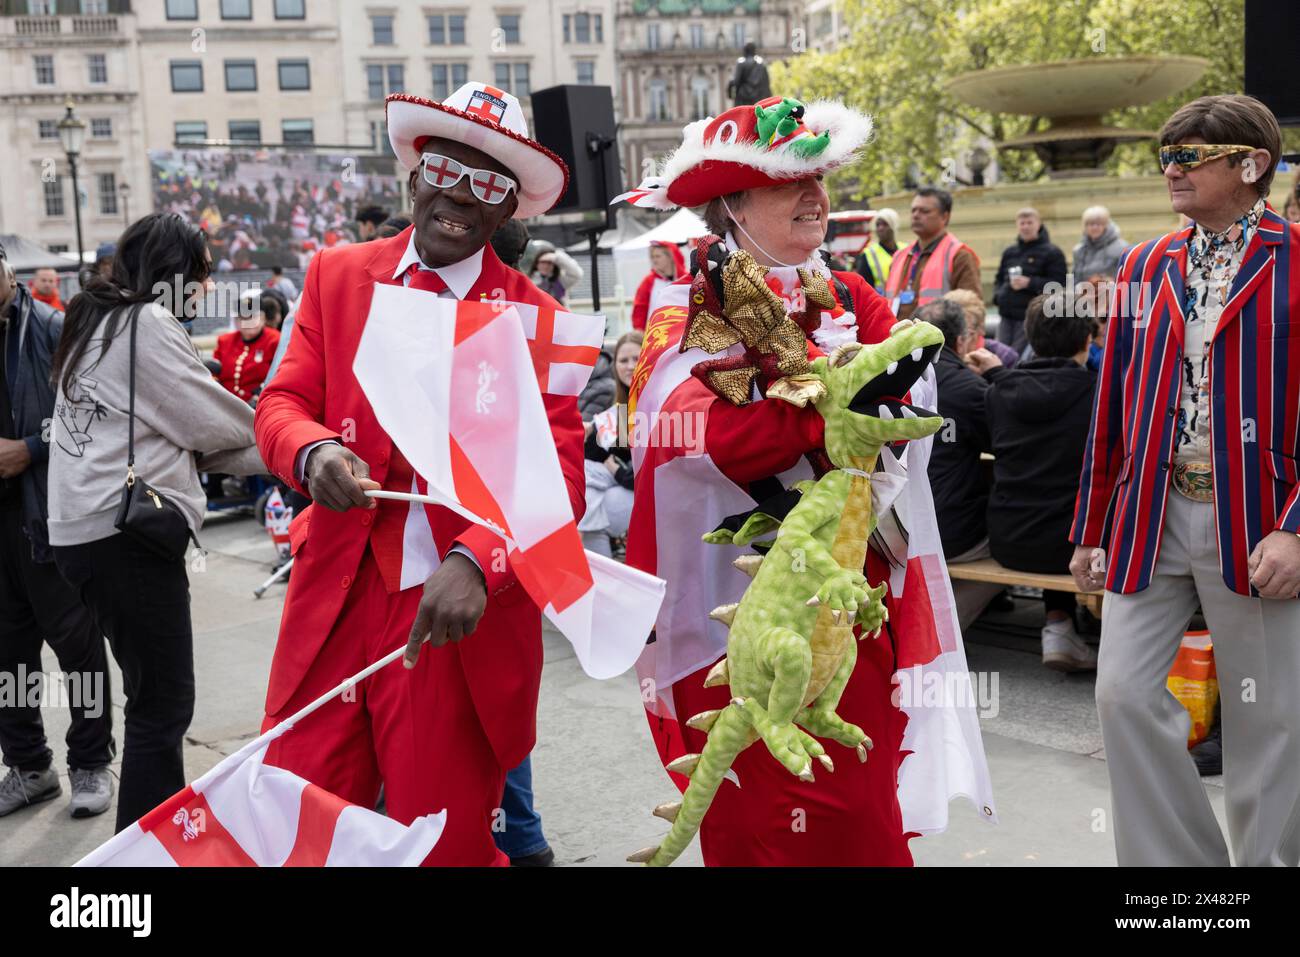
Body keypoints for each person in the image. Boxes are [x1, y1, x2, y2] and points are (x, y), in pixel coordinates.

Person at [616, 93, 993, 865]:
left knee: (859, 804)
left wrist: (852, 389)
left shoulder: (852, 294)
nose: (818, 197)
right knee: (756, 816)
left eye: (821, 179)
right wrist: (831, 405)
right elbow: (695, 442)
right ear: (733, 204)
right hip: (739, 612)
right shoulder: (687, 317)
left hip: (854, 595)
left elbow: (916, 388)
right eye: (793, 182)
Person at [254, 82, 584, 866]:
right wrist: (311, 450)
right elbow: (281, 401)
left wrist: (479, 558)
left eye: (490, 185)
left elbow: (560, 479)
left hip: (450, 625)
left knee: (442, 848)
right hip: (332, 603)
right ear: (414, 173)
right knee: (298, 829)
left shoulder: (539, 323)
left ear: (509, 212)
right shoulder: (336, 275)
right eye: (448, 169)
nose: (461, 197)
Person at [1070, 94, 1300, 866]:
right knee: (1123, 696)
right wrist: (1090, 527)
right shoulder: (1144, 263)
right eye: (1165, 155)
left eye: (1188, 156)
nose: (1170, 169)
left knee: (1268, 719)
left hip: (1263, 518)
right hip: (1150, 515)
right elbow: (1113, 400)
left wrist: (1297, 530)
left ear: (1251, 165)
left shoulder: (1297, 260)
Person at [46, 213, 264, 831]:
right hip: (128, 539)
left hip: (80, 535)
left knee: (151, 698)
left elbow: (179, 429)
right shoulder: (147, 323)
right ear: (175, 273)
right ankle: (145, 858)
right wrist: (301, 445)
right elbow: (217, 426)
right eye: (200, 274)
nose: (203, 287)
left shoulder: (93, 320)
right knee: (162, 706)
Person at [0, 241, 115, 820]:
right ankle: (28, 767)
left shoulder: (50, 325)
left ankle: (92, 762)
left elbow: (92, 414)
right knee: (9, 657)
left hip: (48, 520)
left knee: (78, 650)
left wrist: (29, 447)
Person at [986, 294, 1097, 670]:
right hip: (1071, 548)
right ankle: (1075, 628)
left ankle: (1058, 623)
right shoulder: (1098, 393)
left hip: (1009, 539)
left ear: (1031, 339)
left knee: (1052, 499)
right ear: (1086, 341)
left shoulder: (999, 390)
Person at [917, 299, 1004, 630]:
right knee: (1010, 545)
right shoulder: (970, 389)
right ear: (961, 340)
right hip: (951, 533)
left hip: (894, 526)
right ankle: (941, 627)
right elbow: (1001, 445)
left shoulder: (890, 382)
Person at [578, 331, 641, 557]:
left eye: (637, 358)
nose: (630, 366)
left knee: (589, 506)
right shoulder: (621, 409)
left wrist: (616, 472)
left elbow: (647, 472)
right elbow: (599, 454)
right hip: (617, 490)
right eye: (623, 360)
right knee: (586, 486)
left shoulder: (658, 402)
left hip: (649, 497)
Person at [883, 187, 981, 323]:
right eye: (914, 210)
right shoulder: (900, 256)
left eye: (925, 211)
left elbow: (972, 311)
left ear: (944, 217)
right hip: (898, 340)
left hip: (940, 342)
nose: (916, 215)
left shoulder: (960, 256)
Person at [992, 207, 1067, 353]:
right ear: (1017, 225)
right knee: (1000, 355)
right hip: (1006, 315)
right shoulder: (1010, 252)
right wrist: (998, 297)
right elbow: (999, 279)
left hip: (1030, 317)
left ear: (1038, 224)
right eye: (1022, 223)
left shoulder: (1053, 253)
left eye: (1029, 223)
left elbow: (1059, 285)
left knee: (1015, 357)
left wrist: (1030, 283)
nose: (1025, 227)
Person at [213, 293, 282, 403]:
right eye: (244, 318)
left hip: (259, 405)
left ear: (263, 319)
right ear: (236, 321)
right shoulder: (225, 341)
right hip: (225, 405)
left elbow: (281, 374)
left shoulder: (275, 340)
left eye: (253, 317)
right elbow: (213, 374)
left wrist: (260, 393)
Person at [943, 288, 1017, 369]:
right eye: (949, 333)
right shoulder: (934, 357)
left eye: (966, 333)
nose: (957, 341)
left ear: (981, 328)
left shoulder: (1004, 356)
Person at [630, 241, 686, 331]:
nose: (654, 260)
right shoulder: (648, 281)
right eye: (652, 257)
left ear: (670, 257)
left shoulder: (686, 279)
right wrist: (639, 332)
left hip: (682, 333)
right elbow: (639, 310)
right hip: (656, 335)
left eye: (658, 256)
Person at [1071, 205, 1127, 280]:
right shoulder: (1079, 250)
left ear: (1106, 225)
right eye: (1091, 224)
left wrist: (1106, 281)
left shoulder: (1122, 248)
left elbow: (1126, 276)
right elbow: (1075, 278)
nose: (1094, 227)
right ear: (1085, 227)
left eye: (1099, 224)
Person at [727, 41, 772, 107]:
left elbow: (736, 81)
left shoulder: (741, 62)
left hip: (743, 99)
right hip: (759, 98)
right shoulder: (761, 63)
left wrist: (730, 88)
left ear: (745, 50)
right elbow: (766, 83)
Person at [852, 224, 893, 295]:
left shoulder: (904, 249)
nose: (880, 228)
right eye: (877, 225)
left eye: (885, 224)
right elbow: (863, 286)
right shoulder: (868, 253)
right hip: (879, 301)